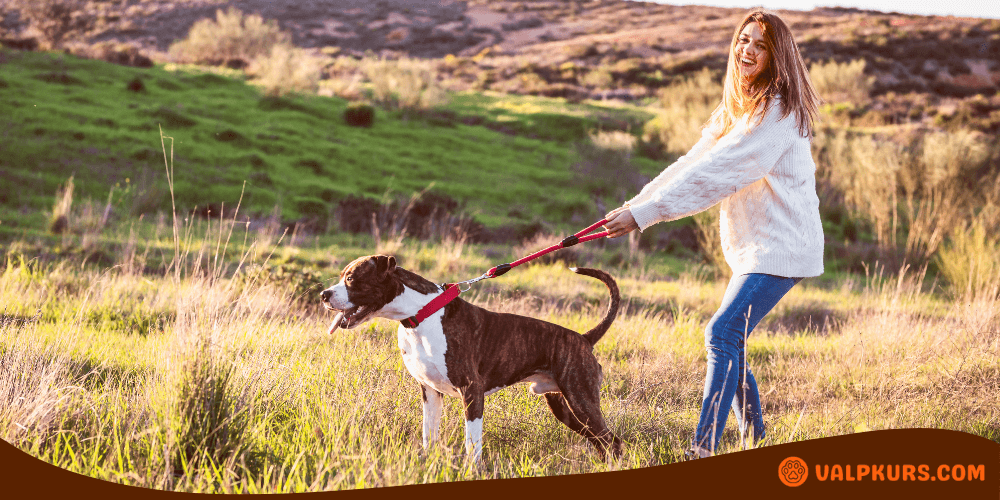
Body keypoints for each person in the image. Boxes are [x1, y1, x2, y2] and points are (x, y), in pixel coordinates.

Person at [603, 8, 824, 458]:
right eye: (744, 40)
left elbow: (722, 174)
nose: (748, 50)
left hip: (783, 248)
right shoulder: (738, 108)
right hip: (755, 248)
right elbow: (694, 162)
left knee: (721, 333)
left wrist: (648, 216)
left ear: (777, 56)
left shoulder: (777, 111)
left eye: (761, 45)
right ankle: (756, 442)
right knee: (732, 340)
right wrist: (637, 205)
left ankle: (701, 450)